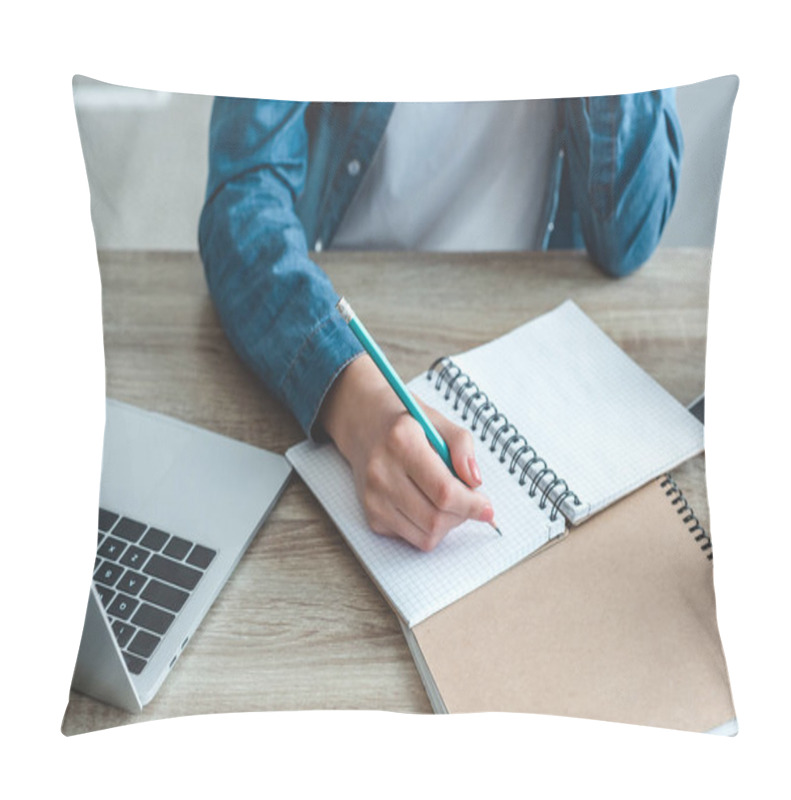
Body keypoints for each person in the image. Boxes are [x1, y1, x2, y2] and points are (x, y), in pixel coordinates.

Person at [199, 95, 683, 551]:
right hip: (334, 309)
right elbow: (241, 199)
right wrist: (353, 398)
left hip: (530, 331)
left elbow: (628, 238)